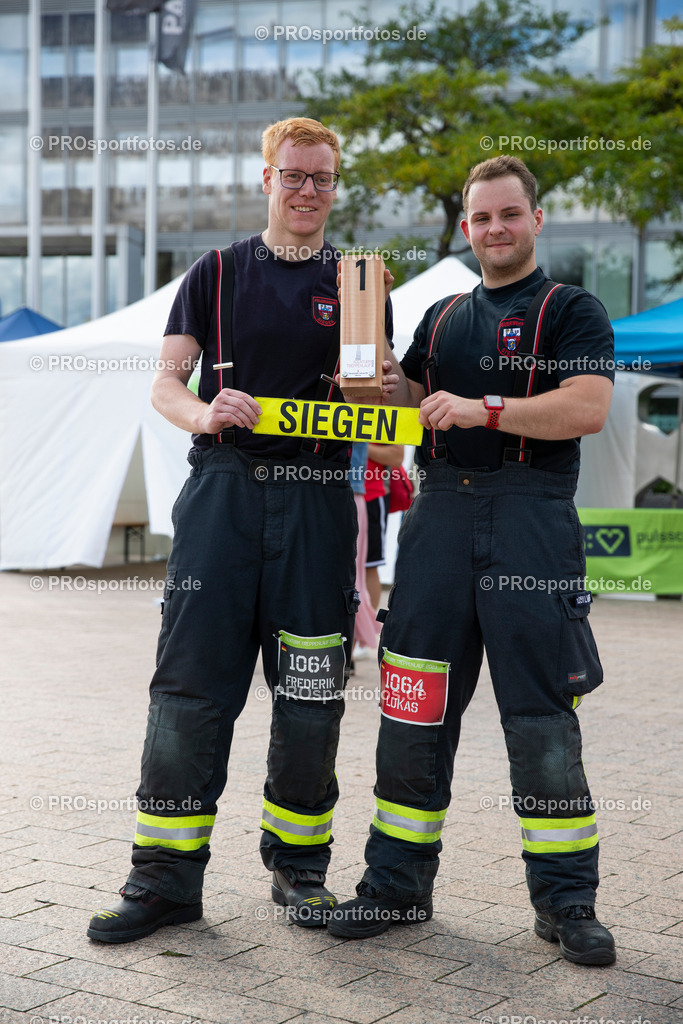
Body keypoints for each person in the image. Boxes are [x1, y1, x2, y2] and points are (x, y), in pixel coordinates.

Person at [88, 117, 390, 943]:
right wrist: (203, 410)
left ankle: (299, 869)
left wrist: (382, 392)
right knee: (189, 689)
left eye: (321, 179)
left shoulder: (362, 281)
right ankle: (164, 881)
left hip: (321, 497)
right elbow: (164, 382)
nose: (306, 191)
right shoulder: (213, 273)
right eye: (292, 175)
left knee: (309, 691)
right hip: (222, 491)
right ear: (265, 179)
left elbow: (384, 416)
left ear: (336, 185)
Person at [328, 155, 617, 967]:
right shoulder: (446, 313)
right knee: (414, 706)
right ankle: (393, 887)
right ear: (466, 227)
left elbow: (586, 409)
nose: (494, 229)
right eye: (480, 218)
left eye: (508, 215)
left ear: (534, 219)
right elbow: (395, 410)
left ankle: (566, 903)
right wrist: (370, 376)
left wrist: (484, 405)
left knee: (540, 719)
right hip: (439, 517)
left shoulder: (571, 310)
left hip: (530, 514)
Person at [349, 442, 382, 664]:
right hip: (344, 490)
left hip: (353, 492)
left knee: (355, 577)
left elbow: (397, 454)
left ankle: (347, 652)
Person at [363, 443, 404, 615]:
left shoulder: (379, 415)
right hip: (334, 494)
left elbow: (396, 457)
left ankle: (365, 637)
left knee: (369, 565)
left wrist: (360, 446)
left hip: (371, 496)